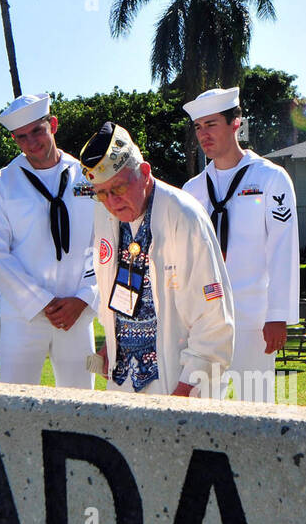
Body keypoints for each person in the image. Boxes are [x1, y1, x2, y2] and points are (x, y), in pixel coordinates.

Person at [80, 121, 234, 397]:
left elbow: (213, 317)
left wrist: (188, 387)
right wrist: (112, 343)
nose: (112, 202)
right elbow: (117, 291)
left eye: (118, 189)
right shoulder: (104, 214)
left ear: (145, 172)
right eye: (101, 194)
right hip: (121, 375)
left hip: (178, 376)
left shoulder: (184, 215)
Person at [182, 86, 300, 402]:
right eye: (198, 127)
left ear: (236, 123)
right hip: (204, 321)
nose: (204, 135)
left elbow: (282, 249)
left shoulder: (270, 178)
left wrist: (278, 314)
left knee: (256, 407)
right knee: (202, 408)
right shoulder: (192, 190)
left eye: (212, 125)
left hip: (253, 318)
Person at [0, 93, 98, 388]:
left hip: (77, 313)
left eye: (37, 131)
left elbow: (105, 242)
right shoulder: (1, 184)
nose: (32, 143)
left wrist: (85, 297)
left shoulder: (88, 176)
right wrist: (42, 302)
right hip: (24, 317)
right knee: (15, 407)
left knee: (83, 406)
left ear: (53, 125)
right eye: (21, 137)